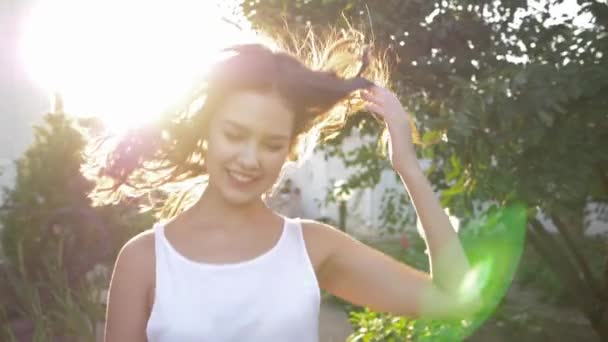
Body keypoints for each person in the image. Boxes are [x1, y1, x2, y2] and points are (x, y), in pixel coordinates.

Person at [100, 38, 480, 342]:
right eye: (235, 134)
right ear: (207, 133)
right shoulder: (143, 260)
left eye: (271, 144)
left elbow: (455, 300)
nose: (250, 159)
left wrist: (408, 167)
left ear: (290, 149)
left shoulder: (312, 247)